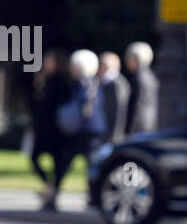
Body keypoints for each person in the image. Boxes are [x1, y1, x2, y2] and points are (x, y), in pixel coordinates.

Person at [54, 49, 107, 197]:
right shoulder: (95, 82)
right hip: (92, 130)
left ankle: (55, 191)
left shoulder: (82, 83)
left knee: (68, 162)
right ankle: (94, 195)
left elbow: (85, 105)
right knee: (91, 164)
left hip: (83, 130)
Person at [28, 49, 71, 210]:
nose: (46, 64)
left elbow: (50, 107)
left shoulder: (59, 81)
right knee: (39, 159)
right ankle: (50, 189)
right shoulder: (46, 80)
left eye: (49, 61)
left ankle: (51, 193)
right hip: (48, 130)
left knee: (55, 163)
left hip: (54, 131)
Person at [124, 42, 159, 134]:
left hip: (138, 124)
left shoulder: (139, 77)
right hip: (149, 121)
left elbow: (138, 104)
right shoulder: (149, 75)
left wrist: (130, 128)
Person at [97, 51, 130, 142]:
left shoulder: (115, 84)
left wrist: (114, 135)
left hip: (112, 134)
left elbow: (118, 112)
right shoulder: (112, 82)